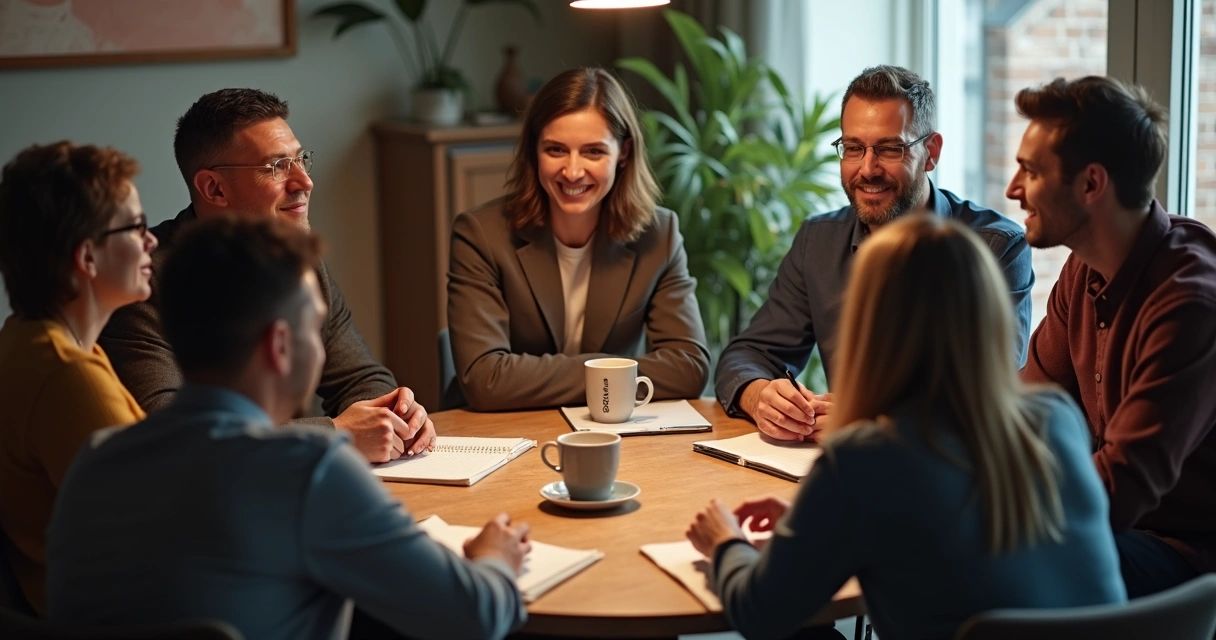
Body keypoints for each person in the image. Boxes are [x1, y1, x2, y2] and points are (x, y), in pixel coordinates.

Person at [47, 217, 530, 640]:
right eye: (313, 328)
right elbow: (476, 616)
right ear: (280, 345)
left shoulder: (95, 459)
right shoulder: (308, 470)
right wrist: (494, 557)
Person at [686, 214, 1125, 640]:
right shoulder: (1056, 418)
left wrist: (725, 541)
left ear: (869, 324)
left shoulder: (865, 460)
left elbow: (760, 614)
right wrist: (819, 527)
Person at [99, 88, 435, 463]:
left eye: (300, 159)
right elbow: (176, 432)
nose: (304, 182)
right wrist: (336, 433)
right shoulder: (145, 282)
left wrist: (396, 416)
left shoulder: (298, 259)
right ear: (214, 188)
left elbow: (361, 378)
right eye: (277, 167)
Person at [714, 65, 1033, 442]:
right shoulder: (818, 241)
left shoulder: (996, 247)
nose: (867, 169)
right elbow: (747, 354)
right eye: (853, 148)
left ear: (931, 153)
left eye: (889, 148)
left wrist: (869, 421)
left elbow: (989, 392)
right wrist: (760, 397)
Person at [1010, 76, 1216, 597]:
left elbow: (1117, 491)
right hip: (1108, 525)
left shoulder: (1189, 303)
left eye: (1031, 171)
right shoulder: (1083, 270)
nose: (1014, 188)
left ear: (1091, 185)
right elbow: (1025, 406)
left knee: (986, 556)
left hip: (1184, 556)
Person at [447, 67, 710, 411]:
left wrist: (533, 375)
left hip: (610, 430)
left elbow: (689, 368)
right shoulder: (480, 234)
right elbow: (486, 379)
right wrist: (610, 374)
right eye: (555, 150)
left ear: (624, 153)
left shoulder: (659, 235)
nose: (572, 171)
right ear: (532, 150)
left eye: (593, 152)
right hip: (499, 435)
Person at [0, 142, 156, 615]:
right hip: (131, 618)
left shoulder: (28, 338)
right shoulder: (67, 375)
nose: (151, 242)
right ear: (87, 258)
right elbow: (155, 525)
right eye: (136, 227)